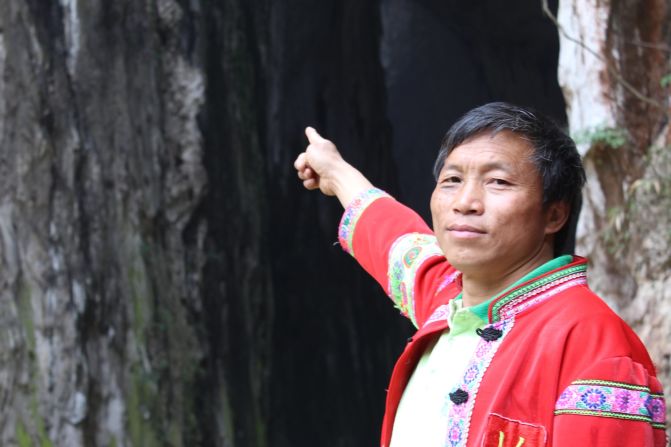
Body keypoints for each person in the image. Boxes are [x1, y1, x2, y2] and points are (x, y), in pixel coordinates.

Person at [293, 102, 667, 447]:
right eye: (452, 180)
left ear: (554, 214)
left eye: (498, 182)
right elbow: (393, 238)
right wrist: (336, 172)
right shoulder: (448, 303)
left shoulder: (593, 344)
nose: (465, 203)